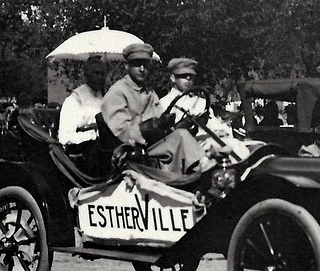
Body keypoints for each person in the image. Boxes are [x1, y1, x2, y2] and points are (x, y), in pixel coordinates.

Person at [100, 43, 207, 175]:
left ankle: (198, 171)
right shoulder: (117, 93)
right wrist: (151, 126)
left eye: (145, 64)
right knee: (181, 136)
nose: (141, 69)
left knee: (181, 134)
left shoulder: (149, 92)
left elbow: (160, 118)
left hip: (152, 146)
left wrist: (175, 125)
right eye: (137, 64)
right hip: (132, 150)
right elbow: (123, 131)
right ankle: (202, 170)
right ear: (126, 66)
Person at [157, 57, 250, 162]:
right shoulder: (164, 104)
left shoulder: (201, 102)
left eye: (191, 76)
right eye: (183, 76)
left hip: (207, 142)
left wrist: (221, 130)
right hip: (185, 150)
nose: (188, 79)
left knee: (238, 147)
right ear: (173, 78)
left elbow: (213, 124)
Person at [58, 55, 107, 152]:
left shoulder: (105, 98)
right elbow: (64, 137)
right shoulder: (74, 100)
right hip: (85, 153)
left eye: (102, 74)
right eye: (96, 73)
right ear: (86, 75)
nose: (100, 77)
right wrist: (93, 134)